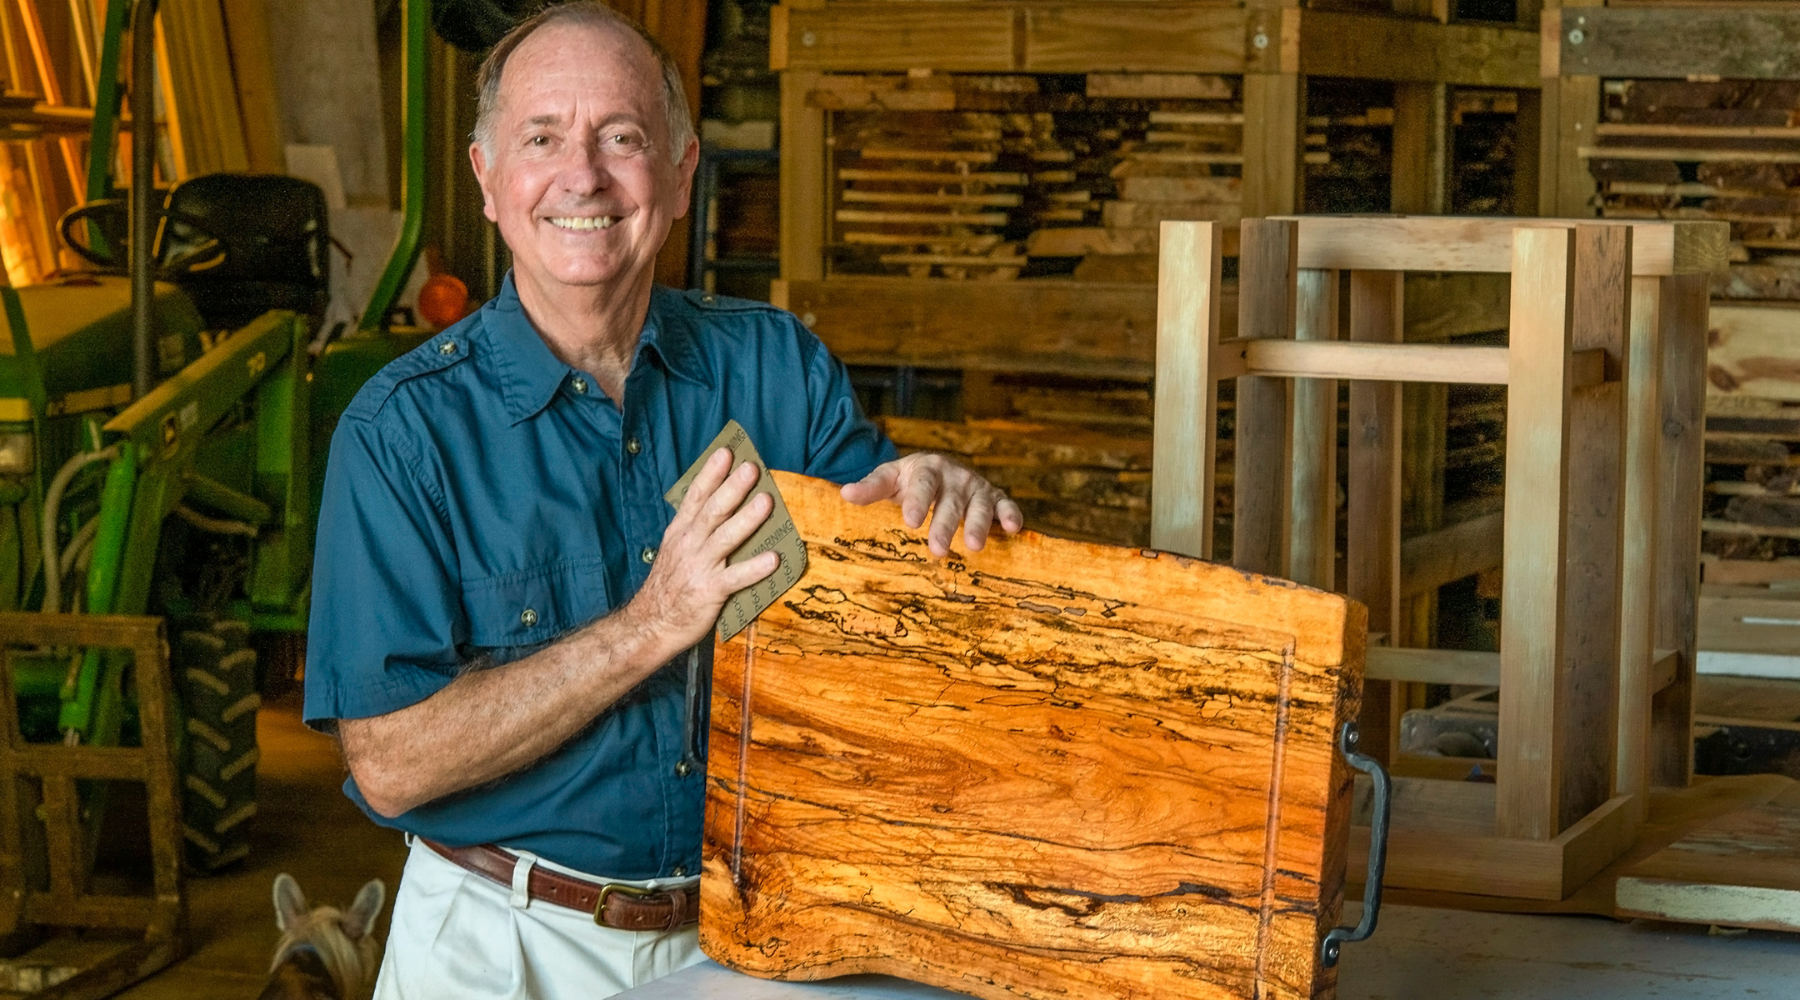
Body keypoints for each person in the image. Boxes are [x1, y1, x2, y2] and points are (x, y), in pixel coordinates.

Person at [301, 4, 1023, 999]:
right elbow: (391, 762)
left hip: (761, 934)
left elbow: (890, 634)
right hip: (503, 943)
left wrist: (939, 505)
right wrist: (651, 624)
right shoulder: (400, 436)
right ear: (489, 181)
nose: (583, 175)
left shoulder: (780, 371)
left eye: (623, 138)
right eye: (542, 138)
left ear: (682, 173)